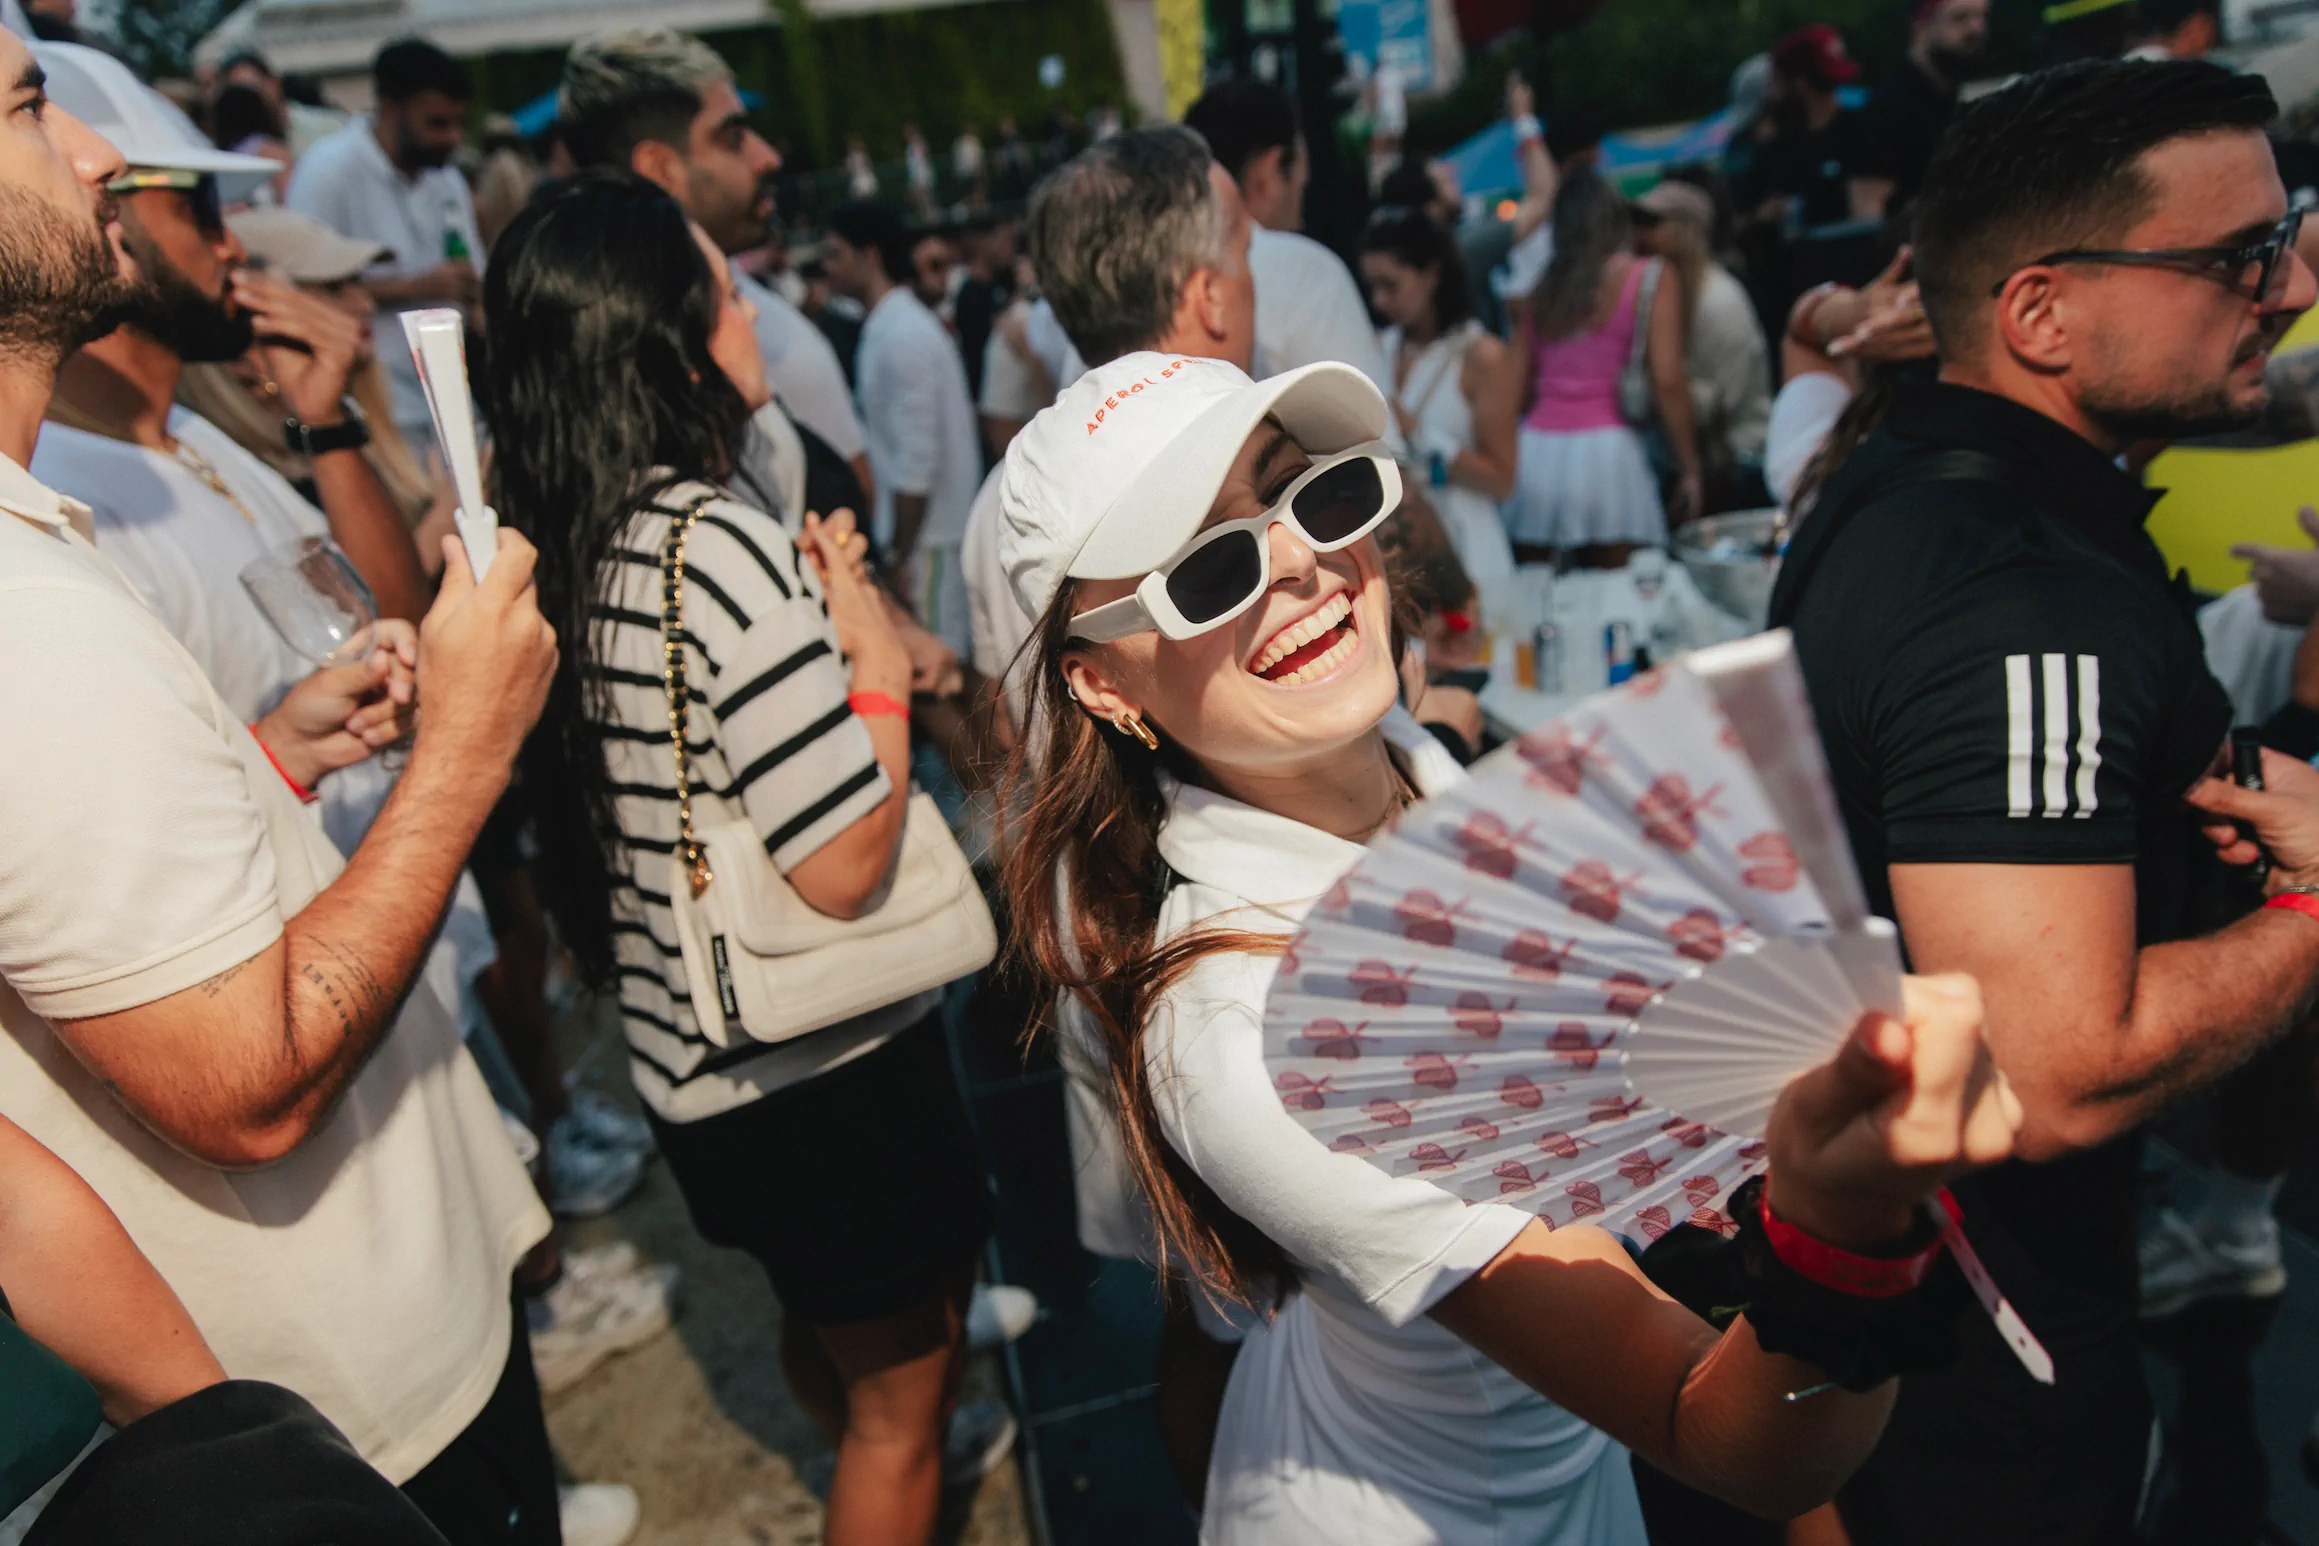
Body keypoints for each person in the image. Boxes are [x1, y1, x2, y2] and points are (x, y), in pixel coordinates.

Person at [992, 347, 2020, 1544]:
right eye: (1208, 571)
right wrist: (1845, 1238)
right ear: (1104, 684)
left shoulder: (1420, 780)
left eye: (1312, 493)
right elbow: (1720, 1432)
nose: (1301, 563)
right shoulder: (1251, 1036)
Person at [0, 26, 575, 1546]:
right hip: (351, 1401)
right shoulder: (19, 613)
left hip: (354, 1345)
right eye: (24, 106)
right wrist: (466, 744)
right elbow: (243, 1084)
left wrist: (266, 757)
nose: (102, 158)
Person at [1765, 60, 2319, 1546]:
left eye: (2287, 234)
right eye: (2237, 256)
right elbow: (2056, 1062)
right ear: (2038, 313)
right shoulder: (2018, 589)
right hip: (1979, 1404)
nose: (2286, 285)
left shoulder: (1909, 483)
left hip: (1929, 1358)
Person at [484, 169, 1002, 1546]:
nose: (754, 313)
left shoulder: (574, 536)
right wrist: (879, 669)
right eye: (726, 291)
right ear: (668, 337)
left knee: (844, 1349)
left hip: (700, 1067)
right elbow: (841, 861)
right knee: (905, 1403)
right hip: (815, 1067)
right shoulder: (708, 539)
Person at [558, 27, 874, 505]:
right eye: (733, 138)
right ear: (659, 169)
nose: (767, 157)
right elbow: (857, 500)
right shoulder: (751, 343)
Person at [176, 205, 443, 536]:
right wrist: (445, 519)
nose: (365, 303)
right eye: (333, 287)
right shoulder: (242, 464)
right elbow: (356, 585)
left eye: (358, 281)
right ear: (251, 309)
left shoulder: (359, 408)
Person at [283, 37, 481, 453]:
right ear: (391, 108)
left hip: (452, 392)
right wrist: (416, 287)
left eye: (457, 123)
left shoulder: (446, 178)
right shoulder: (329, 169)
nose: (452, 137)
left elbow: (471, 278)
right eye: (437, 123)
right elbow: (297, 286)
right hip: (375, 400)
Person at [1506, 171, 1702, 567]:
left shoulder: (1541, 292)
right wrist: (1690, 466)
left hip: (1537, 454)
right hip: (1611, 454)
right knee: (1626, 592)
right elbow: (1667, 380)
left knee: (1545, 597)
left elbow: (1514, 390)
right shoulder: (1649, 277)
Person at [824, 197, 981, 652]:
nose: (827, 267)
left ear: (869, 256)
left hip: (931, 541)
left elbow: (917, 461)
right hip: (928, 538)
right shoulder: (892, 326)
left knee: (943, 672)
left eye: (836, 254)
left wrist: (901, 553)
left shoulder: (903, 334)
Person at [1184, 80, 1394, 401]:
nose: (1301, 208)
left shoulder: (1140, 272)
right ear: (1268, 173)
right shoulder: (1305, 272)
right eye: (1301, 184)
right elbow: (1371, 440)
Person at [1358, 204, 1516, 586]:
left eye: (1390, 285)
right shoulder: (1377, 346)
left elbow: (1503, 479)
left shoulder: (1481, 355)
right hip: (1400, 547)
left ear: (1432, 274)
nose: (1378, 301)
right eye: (1372, 288)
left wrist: (1422, 435)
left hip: (1469, 546)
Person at [1630, 178, 1773, 508]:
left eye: (1652, 223)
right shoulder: (1656, 293)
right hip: (1687, 459)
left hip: (1735, 463)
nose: (1639, 234)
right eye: (1636, 223)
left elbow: (1729, 397)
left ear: (1684, 229)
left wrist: (1662, 390)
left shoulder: (1721, 301)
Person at [1851, 0, 1992, 220]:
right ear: (1921, 25)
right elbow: (1867, 214)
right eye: (1960, 18)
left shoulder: (1956, 104)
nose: (1976, 29)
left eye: (1982, 17)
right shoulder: (1886, 110)